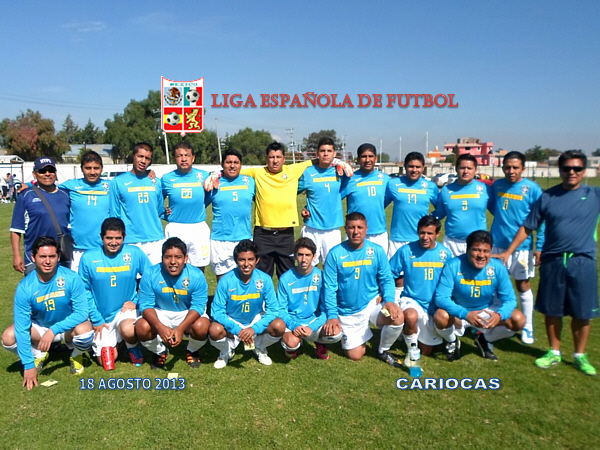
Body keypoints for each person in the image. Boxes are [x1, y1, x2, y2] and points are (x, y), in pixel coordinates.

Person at [496, 150, 600, 376]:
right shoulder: (548, 197)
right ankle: (554, 351)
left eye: (577, 168)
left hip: (582, 261)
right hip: (553, 261)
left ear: (585, 171)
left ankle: (580, 355)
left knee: (583, 313)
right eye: (567, 168)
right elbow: (528, 226)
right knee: (553, 310)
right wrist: (509, 251)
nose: (572, 172)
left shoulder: (594, 194)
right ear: (560, 170)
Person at [204, 141, 352, 278]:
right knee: (262, 276)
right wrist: (216, 174)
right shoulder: (257, 173)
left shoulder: (293, 170)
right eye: (271, 157)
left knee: (287, 275)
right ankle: (262, 299)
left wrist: (337, 161)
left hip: (286, 234)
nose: (275, 161)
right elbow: (234, 170)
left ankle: (288, 300)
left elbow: (317, 160)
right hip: (263, 234)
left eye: (278, 157)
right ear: (266, 158)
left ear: (283, 159)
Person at [1, 236, 93, 390]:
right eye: (43, 256)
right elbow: (22, 327)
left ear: (58, 257)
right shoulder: (25, 287)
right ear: (33, 257)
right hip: (40, 329)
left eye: (52, 256)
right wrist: (28, 365)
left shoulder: (71, 278)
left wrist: (54, 330)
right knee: (8, 337)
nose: (48, 261)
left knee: (85, 331)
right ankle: (38, 355)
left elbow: (82, 312)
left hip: (67, 329)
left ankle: (76, 355)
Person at [322, 212, 404, 366]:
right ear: (345, 229)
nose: (356, 232)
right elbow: (329, 288)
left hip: (372, 302)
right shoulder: (335, 254)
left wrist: (389, 300)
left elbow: (386, 278)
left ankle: (383, 350)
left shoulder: (376, 251)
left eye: (360, 227)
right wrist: (332, 315)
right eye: (351, 227)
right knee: (356, 355)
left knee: (397, 316)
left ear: (366, 229)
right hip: (348, 311)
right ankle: (357, 334)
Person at [434, 230, 524, 361]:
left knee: (518, 319)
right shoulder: (453, 265)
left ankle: (485, 339)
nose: (481, 255)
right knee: (440, 316)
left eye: (486, 251)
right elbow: (441, 298)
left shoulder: (497, 267)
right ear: (467, 250)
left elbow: (510, 299)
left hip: (485, 311)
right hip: (460, 314)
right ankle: (452, 341)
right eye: (476, 250)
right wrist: (465, 314)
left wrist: (499, 316)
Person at [79, 218, 151, 368]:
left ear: (124, 237)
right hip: (102, 317)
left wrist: (137, 301)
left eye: (118, 238)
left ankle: (132, 346)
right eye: (109, 238)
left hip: (125, 312)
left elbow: (151, 279)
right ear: (101, 237)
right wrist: (96, 319)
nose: (113, 242)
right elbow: (83, 290)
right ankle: (117, 343)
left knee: (128, 329)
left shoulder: (134, 253)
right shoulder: (88, 258)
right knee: (106, 363)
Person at [488, 151, 544, 344]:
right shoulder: (497, 186)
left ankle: (527, 326)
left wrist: (540, 246)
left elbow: (541, 220)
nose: (511, 171)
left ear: (523, 168)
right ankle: (496, 322)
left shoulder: (532, 189)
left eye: (515, 167)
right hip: (496, 246)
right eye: (507, 167)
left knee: (523, 284)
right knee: (495, 285)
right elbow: (493, 207)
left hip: (522, 248)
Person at [135, 237, 210, 369]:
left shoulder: (197, 275)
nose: (173, 262)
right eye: (168, 257)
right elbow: (146, 305)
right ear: (162, 258)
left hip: (186, 312)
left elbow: (198, 306)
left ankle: (191, 350)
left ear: (185, 259)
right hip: (160, 312)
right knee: (142, 326)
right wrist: (159, 327)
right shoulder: (151, 273)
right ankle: (160, 351)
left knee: (202, 326)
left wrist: (180, 328)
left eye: (178, 257)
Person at [209, 239, 285, 368]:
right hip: (233, 320)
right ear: (235, 260)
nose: (246, 264)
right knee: (214, 330)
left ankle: (259, 347)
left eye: (250, 259)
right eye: (241, 260)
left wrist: (254, 328)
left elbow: (273, 309)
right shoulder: (226, 280)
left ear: (257, 260)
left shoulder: (265, 279)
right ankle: (226, 351)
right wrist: (237, 330)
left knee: (279, 325)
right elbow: (216, 311)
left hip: (254, 319)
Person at [389, 216, 450, 364]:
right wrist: (386, 296)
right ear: (417, 232)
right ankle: (411, 351)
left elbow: (451, 281)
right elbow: (388, 274)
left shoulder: (445, 254)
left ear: (437, 234)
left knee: (426, 351)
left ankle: (447, 339)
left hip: (433, 305)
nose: (425, 237)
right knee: (410, 316)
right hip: (412, 300)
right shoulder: (406, 251)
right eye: (422, 233)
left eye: (430, 233)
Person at [278, 237, 342, 360]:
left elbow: (326, 309)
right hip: (293, 321)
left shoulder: (321, 276)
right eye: (300, 255)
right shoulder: (285, 279)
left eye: (307, 255)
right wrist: (294, 325)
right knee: (291, 343)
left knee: (336, 333)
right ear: (295, 256)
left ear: (314, 256)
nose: (304, 259)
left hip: (313, 321)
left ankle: (319, 341)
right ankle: (292, 347)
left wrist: (312, 327)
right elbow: (281, 310)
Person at [10, 157, 71, 274]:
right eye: (42, 171)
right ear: (35, 174)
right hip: (34, 257)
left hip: (62, 256)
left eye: (50, 170)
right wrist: (17, 255)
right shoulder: (26, 195)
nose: (47, 174)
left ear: (55, 173)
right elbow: (16, 229)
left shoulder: (66, 194)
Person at [109, 142, 165, 264]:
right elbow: (114, 215)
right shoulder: (118, 182)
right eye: (140, 156)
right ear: (133, 156)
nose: (143, 161)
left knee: (154, 276)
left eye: (147, 158)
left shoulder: (156, 182)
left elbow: (160, 210)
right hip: (130, 240)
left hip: (155, 239)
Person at [205, 149, 255, 281]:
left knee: (245, 280)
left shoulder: (250, 182)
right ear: (222, 164)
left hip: (244, 238)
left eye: (236, 162)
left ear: (241, 165)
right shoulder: (214, 182)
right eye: (228, 162)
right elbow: (199, 206)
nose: (232, 166)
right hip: (220, 240)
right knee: (223, 281)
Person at [162, 142, 210, 270]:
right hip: (175, 227)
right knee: (174, 266)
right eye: (179, 156)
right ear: (174, 158)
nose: (183, 159)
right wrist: (163, 212)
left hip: (198, 227)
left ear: (193, 158)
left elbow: (209, 197)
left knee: (199, 267)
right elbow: (156, 200)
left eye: (187, 155)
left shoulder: (204, 176)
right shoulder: (166, 179)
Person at [60, 151, 111, 272]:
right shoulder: (71, 185)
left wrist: (148, 172)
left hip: (103, 247)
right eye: (88, 168)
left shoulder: (111, 185)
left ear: (102, 168)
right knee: (78, 282)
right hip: (78, 248)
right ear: (81, 169)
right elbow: (49, 187)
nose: (92, 172)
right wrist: (29, 185)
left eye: (96, 168)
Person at [298, 137, 346, 265]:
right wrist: (304, 209)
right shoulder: (308, 173)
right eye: (322, 150)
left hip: (332, 229)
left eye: (329, 151)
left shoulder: (340, 172)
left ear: (334, 153)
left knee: (332, 267)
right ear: (317, 153)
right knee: (307, 266)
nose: (326, 154)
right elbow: (291, 192)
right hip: (311, 227)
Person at [432, 154, 489, 256]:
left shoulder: (485, 189)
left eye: (469, 168)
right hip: (452, 243)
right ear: (456, 169)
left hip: (478, 242)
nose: (465, 171)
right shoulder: (446, 190)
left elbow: (498, 212)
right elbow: (438, 214)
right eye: (462, 168)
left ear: (475, 170)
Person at [385, 152, 439, 259]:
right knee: (394, 269)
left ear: (423, 168)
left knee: (417, 269)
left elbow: (441, 209)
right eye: (411, 166)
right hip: (398, 239)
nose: (414, 170)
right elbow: (381, 205)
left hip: (421, 238)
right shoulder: (393, 184)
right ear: (405, 167)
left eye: (418, 167)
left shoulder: (430, 187)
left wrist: (431, 218)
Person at [341, 144, 390, 252]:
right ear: (358, 159)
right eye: (364, 156)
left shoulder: (385, 179)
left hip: (378, 233)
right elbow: (334, 199)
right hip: (355, 232)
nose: (367, 160)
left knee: (379, 262)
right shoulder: (349, 179)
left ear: (376, 158)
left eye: (370, 156)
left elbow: (386, 201)